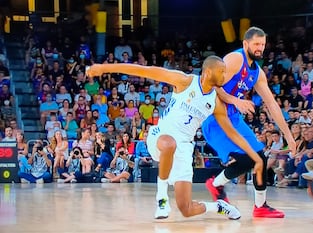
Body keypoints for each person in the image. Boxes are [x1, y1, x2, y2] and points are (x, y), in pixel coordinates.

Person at [86, 56, 263, 220]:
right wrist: (103, 68)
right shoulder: (184, 81)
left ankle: (218, 207)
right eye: (222, 71)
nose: (225, 75)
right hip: (160, 136)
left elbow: (231, 132)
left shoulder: (215, 102)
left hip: (184, 148)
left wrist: (254, 156)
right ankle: (161, 198)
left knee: (186, 209)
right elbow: (144, 70)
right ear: (208, 72)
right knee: (169, 143)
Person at [201, 27, 295, 218]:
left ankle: (260, 206)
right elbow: (212, 84)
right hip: (216, 118)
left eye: (263, 44)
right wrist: (235, 100)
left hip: (234, 118)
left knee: (261, 157)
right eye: (256, 44)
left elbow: (272, 105)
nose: (260, 48)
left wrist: (289, 136)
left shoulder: (258, 73)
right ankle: (216, 184)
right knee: (246, 160)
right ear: (246, 44)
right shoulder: (235, 59)